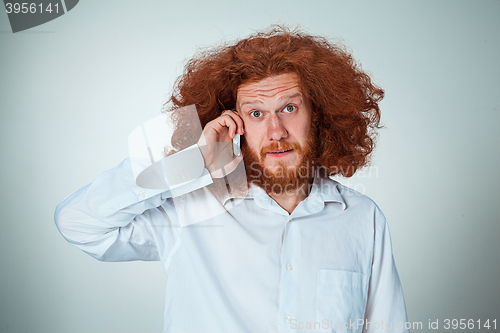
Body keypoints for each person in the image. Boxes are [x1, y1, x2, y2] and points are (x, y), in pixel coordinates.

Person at [55, 26, 410, 333]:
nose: (276, 131)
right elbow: (79, 223)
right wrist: (195, 161)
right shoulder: (191, 209)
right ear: (234, 123)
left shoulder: (362, 217)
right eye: (256, 113)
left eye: (289, 108)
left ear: (317, 113)